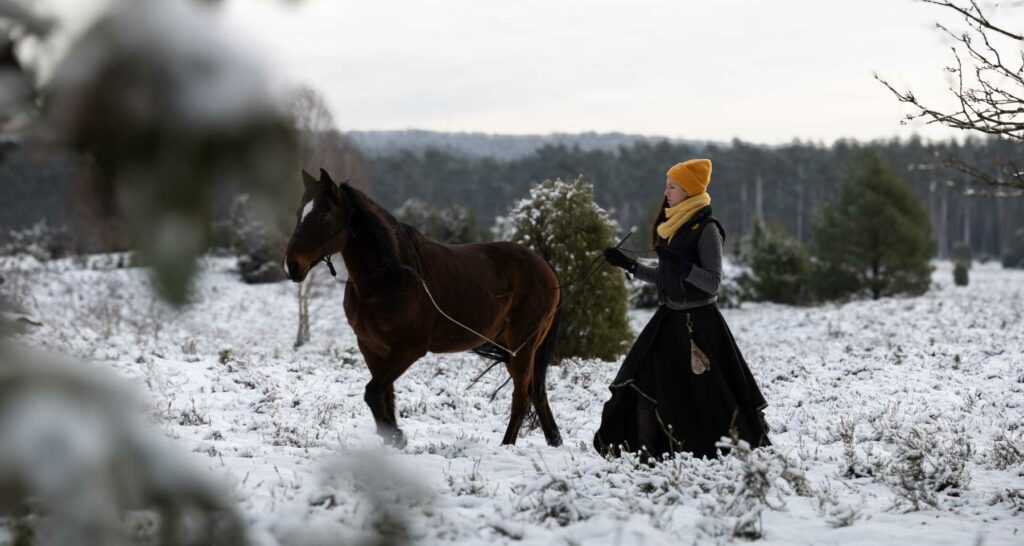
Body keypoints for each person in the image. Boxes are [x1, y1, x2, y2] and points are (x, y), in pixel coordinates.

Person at [594, 158, 770, 460]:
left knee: (707, 398)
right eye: (667, 186)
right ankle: (647, 456)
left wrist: (684, 266)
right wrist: (630, 265)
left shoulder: (707, 229)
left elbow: (712, 283)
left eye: (672, 187)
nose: (666, 192)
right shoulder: (673, 225)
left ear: (689, 191)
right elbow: (665, 276)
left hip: (700, 326)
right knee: (641, 384)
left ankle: (707, 453)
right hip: (668, 320)